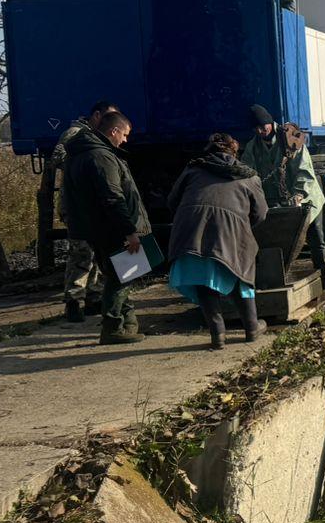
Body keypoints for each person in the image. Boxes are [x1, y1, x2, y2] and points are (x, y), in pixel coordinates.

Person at [166, 133, 269, 350]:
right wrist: (241, 225)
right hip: (230, 230)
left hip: (191, 230)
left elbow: (172, 201)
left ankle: (218, 334)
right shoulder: (249, 176)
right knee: (241, 273)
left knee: (203, 278)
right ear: (234, 152)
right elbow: (260, 213)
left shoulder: (193, 170)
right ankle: (251, 328)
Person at [61, 109, 150, 345]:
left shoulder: (78, 154)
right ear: (114, 131)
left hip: (93, 229)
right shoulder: (102, 157)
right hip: (112, 229)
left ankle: (127, 323)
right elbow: (112, 197)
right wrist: (130, 231)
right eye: (125, 134)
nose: (125, 140)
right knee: (124, 276)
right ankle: (113, 327)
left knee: (118, 275)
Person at [239, 104, 325, 291]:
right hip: (274, 200)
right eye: (256, 129)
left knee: (316, 237)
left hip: (306, 197)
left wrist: (299, 195)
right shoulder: (253, 146)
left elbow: (303, 170)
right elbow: (247, 171)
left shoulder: (291, 138)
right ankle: (277, 277)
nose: (260, 131)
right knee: (277, 240)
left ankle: (323, 273)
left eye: (263, 127)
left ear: (269, 122)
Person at [52, 99, 118, 322]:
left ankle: (94, 297)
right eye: (108, 117)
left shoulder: (100, 137)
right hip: (77, 206)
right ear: (97, 115)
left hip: (95, 206)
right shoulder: (74, 134)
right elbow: (58, 158)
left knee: (98, 254)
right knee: (82, 254)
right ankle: (74, 300)